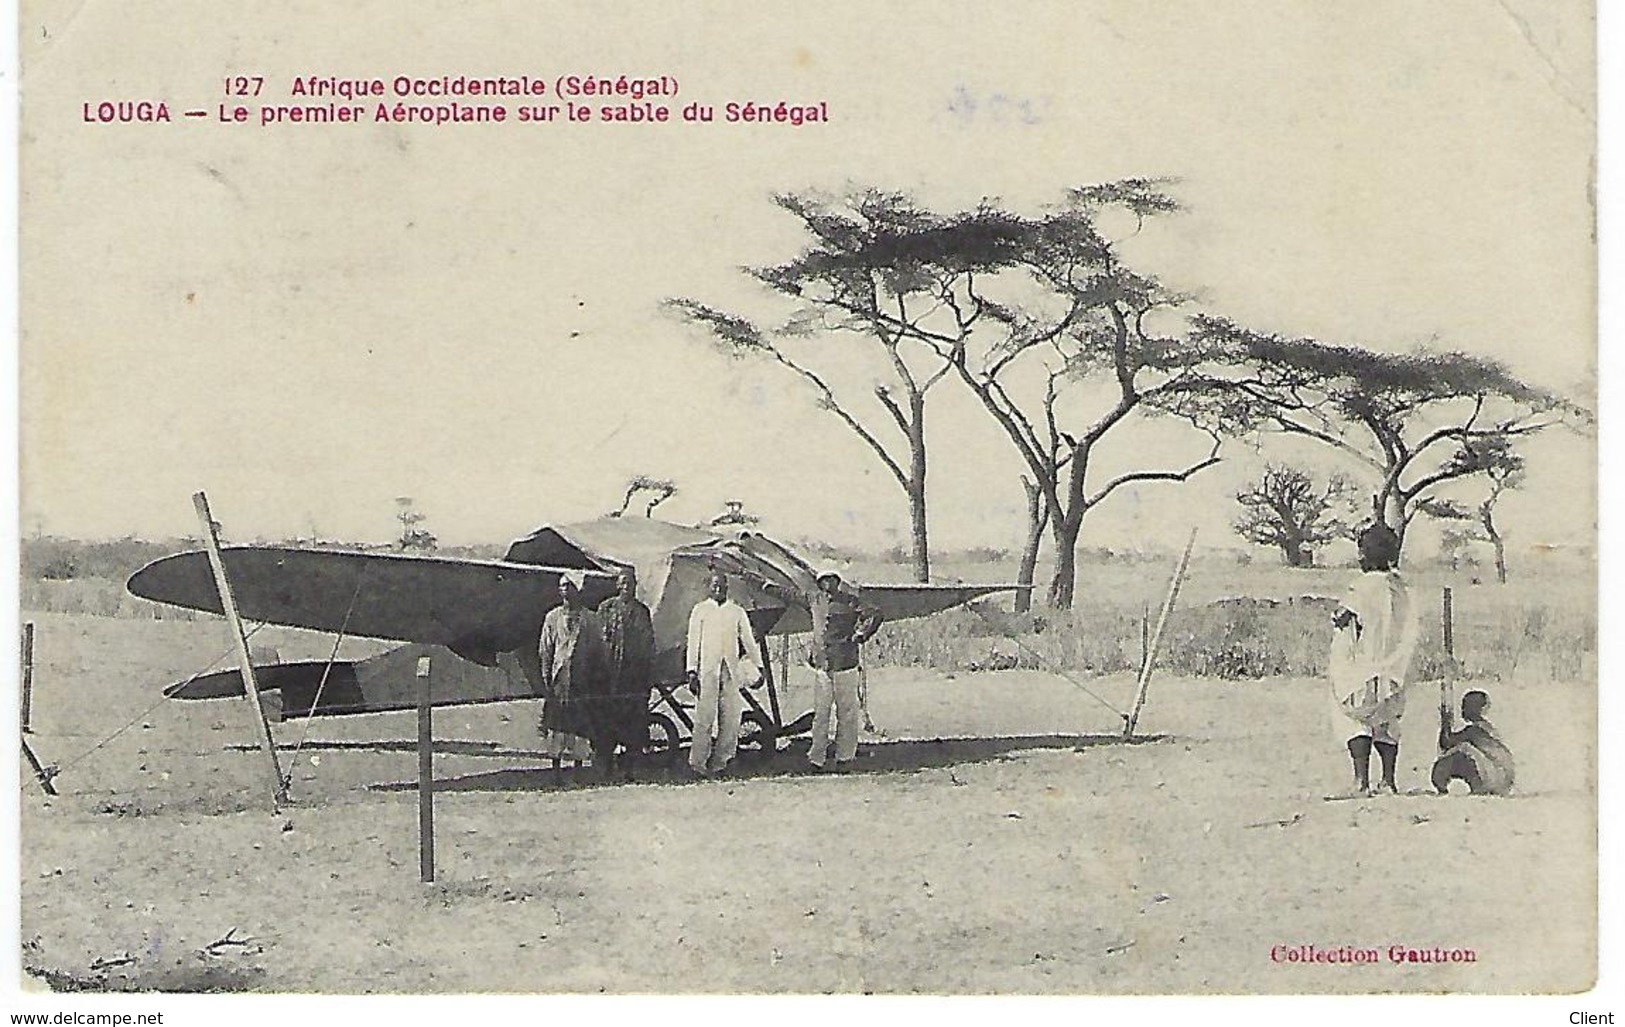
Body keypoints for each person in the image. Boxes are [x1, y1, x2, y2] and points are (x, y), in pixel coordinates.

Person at [1328, 522, 1419, 796]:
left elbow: (1343, 616)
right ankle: (1388, 781)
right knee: (1386, 723)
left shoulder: (1361, 587)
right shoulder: (1401, 587)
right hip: (1394, 674)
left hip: (1362, 672)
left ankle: (1361, 782)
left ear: (1365, 555)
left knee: (1353, 720)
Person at [684, 570, 761, 776]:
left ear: (727, 587)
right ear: (709, 587)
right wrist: (691, 671)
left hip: (731, 670)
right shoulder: (700, 610)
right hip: (707, 670)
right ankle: (697, 763)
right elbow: (693, 642)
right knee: (704, 717)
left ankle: (724, 761)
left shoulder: (736, 611)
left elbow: (748, 641)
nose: (718, 588)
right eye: (715, 585)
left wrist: (758, 666)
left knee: (731, 717)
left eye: (722, 585)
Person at [537, 570, 613, 778]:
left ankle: (578, 769)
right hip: (559, 680)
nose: (564, 590)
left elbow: (600, 649)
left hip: (582, 679)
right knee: (558, 725)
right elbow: (546, 649)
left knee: (580, 726)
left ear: (578, 590)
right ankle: (556, 770)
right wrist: (547, 677)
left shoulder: (590, 619)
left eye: (569, 586)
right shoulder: (552, 618)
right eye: (561, 586)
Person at [806, 570, 883, 771]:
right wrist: (760, 583)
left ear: (837, 582)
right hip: (823, 664)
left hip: (845, 663)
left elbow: (875, 614)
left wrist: (861, 634)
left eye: (831, 580)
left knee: (847, 712)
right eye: (824, 580)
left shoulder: (850, 601)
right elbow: (784, 593)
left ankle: (845, 757)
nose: (827, 584)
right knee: (821, 714)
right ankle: (816, 758)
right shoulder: (814, 600)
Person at [597, 567, 657, 778]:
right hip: (610, 677)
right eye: (622, 583)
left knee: (633, 724)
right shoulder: (606, 608)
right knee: (607, 723)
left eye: (630, 584)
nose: (626, 587)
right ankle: (607, 767)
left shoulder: (642, 612)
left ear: (635, 586)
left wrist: (647, 678)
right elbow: (597, 642)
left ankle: (630, 768)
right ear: (617, 585)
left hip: (634, 680)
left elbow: (648, 646)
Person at [1432, 690, 1516, 795]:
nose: (1462, 710)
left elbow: (1446, 743)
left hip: (1495, 778)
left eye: (1466, 706)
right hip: (1503, 779)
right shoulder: (1486, 728)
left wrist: (1445, 723)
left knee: (1461, 751)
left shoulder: (1474, 730)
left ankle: (1443, 786)